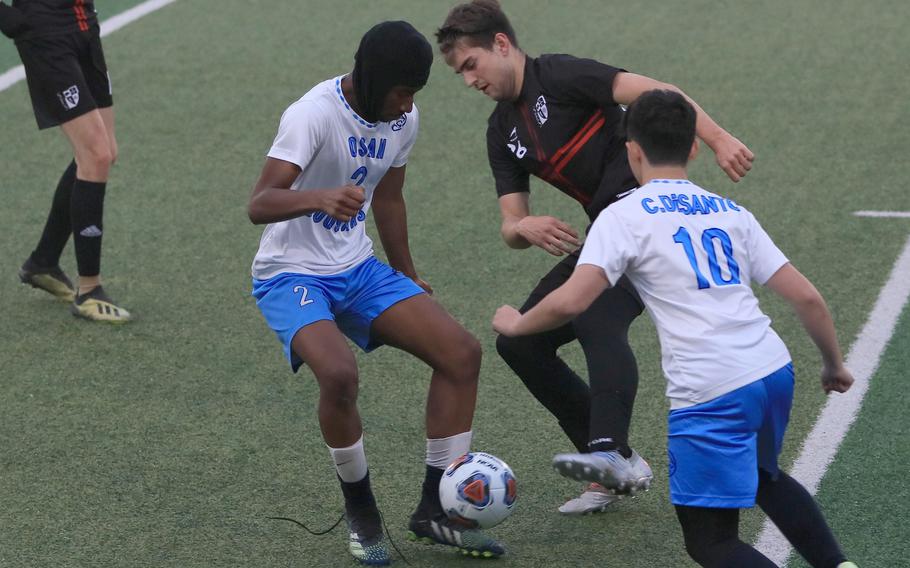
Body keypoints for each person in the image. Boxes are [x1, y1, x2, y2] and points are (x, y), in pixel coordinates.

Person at [493, 89, 858, 568]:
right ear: (693, 148)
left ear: (632, 150)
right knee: (765, 475)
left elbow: (574, 299)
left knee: (711, 543)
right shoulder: (732, 213)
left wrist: (519, 324)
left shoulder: (621, 217)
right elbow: (807, 297)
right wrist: (833, 365)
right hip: (772, 370)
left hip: (711, 391)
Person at [436, 0, 754, 514]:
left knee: (592, 316)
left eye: (470, 65)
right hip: (609, 233)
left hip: (651, 219)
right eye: (459, 73)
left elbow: (657, 95)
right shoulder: (501, 133)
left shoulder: (559, 74)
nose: (469, 80)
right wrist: (523, 225)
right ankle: (617, 457)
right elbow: (510, 226)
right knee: (520, 342)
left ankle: (606, 457)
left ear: (500, 44)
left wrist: (717, 138)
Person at [247, 21, 504, 565]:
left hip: (358, 268)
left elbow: (389, 199)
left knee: (462, 353)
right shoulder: (311, 114)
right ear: (373, 79)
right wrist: (317, 197)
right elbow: (260, 203)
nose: (408, 104)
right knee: (338, 374)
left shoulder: (403, 118)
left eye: (414, 93)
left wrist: (407, 271)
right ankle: (362, 513)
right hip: (290, 274)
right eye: (402, 91)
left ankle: (437, 510)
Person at [1, 0, 130, 322]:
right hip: (46, 33)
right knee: (95, 155)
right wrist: (9, 19)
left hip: (84, 24)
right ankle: (89, 291)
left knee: (105, 153)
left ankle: (42, 262)